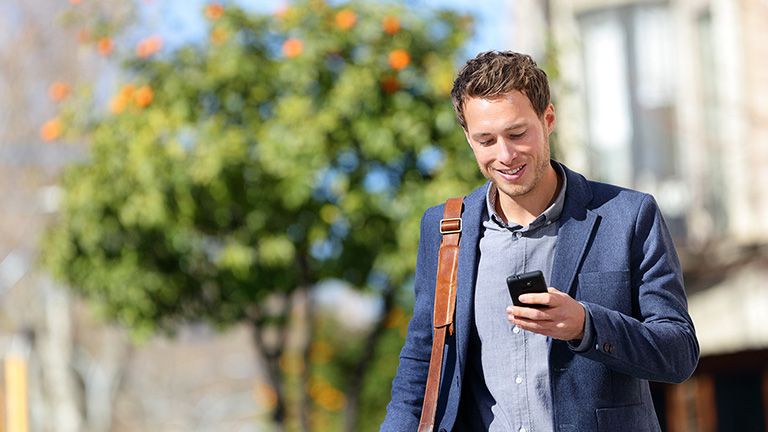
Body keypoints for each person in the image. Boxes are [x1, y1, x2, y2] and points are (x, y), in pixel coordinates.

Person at [381, 51, 699, 432]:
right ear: (468, 138)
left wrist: (585, 324)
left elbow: (678, 352)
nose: (505, 155)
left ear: (548, 119)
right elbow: (421, 362)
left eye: (517, 134)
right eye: (486, 140)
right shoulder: (447, 228)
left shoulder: (629, 216)